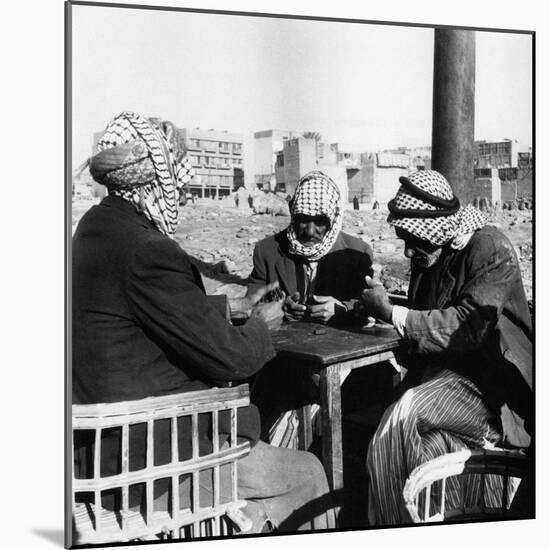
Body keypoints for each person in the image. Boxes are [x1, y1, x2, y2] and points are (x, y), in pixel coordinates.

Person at [72, 112, 335, 534]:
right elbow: (232, 360)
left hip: (100, 450)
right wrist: (262, 326)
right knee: (307, 472)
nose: (181, 191)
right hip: (157, 459)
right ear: (157, 179)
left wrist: (234, 307)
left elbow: (147, 313)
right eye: (177, 179)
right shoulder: (148, 249)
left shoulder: (95, 228)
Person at [360, 170, 532, 525]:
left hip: (494, 391)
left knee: (399, 419)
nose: (408, 250)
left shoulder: (490, 247)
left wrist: (392, 313)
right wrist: (363, 311)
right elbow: (422, 321)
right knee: (426, 450)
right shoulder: (429, 254)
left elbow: (464, 327)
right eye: (404, 239)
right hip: (450, 382)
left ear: (436, 228)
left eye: (413, 240)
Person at [246, 170, 374, 447]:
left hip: (342, 370)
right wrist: (279, 307)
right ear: (293, 214)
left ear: (335, 217)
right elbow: (253, 304)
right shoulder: (268, 251)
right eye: (303, 221)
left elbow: (369, 306)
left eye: (320, 222)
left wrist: (343, 309)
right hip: (282, 369)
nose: (311, 231)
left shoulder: (357, 252)